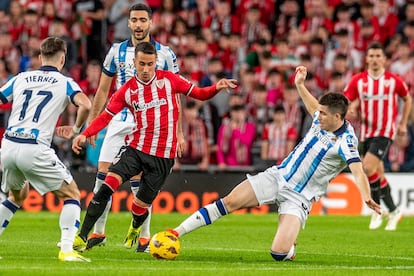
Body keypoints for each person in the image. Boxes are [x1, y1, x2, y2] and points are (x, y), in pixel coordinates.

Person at [166, 65, 381, 261]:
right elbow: (313, 106)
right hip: (278, 176)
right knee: (229, 202)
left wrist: (365, 196)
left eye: (324, 114)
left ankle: (289, 245)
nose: (318, 116)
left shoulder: (346, 142)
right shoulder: (323, 118)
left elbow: (358, 170)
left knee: (279, 254)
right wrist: (299, 85)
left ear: (337, 117)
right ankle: (175, 233)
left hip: (299, 197)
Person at [71, 41, 237, 253]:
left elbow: (199, 94)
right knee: (106, 186)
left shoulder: (169, 80)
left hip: (162, 158)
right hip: (136, 149)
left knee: (138, 208)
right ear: (134, 62)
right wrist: (85, 133)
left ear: (156, 62)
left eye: (150, 64)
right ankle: (82, 237)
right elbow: (105, 116)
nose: (146, 69)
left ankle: (135, 227)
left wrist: (217, 87)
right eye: (142, 64)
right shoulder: (127, 90)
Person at [85, 3, 181, 253]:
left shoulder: (166, 54)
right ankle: (99, 232)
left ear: (151, 22)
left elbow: (176, 95)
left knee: (141, 180)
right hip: (119, 120)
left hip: (150, 123)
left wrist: (178, 132)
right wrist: (93, 125)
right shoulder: (116, 52)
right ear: (128, 23)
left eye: (143, 20)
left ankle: (144, 238)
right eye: (134, 20)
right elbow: (103, 89)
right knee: (103, 176)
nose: (138, 25)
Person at [0, 37, 91, 262]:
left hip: (9, 146)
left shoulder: (20, 77)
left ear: (40, 58)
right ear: (62, 59)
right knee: (72, 195)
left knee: (16, 195)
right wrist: (75, 129)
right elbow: (86, 105)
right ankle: (67, 250)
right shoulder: (65, 82)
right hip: (34, 148)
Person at [343, 41, 412, 231]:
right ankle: (395, 211)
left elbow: (407, 98)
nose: (374, 59)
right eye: (371, 56)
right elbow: (348, 101)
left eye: (378, 56)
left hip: (385, 131)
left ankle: (376, 210)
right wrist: (352, 109)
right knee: (377, 174)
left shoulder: (393, 80)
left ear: (385, 59)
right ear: (367, 59)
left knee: (367, 167)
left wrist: (403, 123)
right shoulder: (358, 80)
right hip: (365, 133)